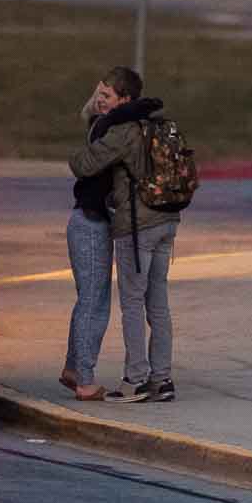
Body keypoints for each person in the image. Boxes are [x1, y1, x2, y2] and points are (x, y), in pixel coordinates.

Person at [67, 66, 178, 404]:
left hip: (137, 227)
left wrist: (96, 127)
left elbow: (83, 164)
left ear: (124, 99)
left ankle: (136, 379)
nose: (101, 101)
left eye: (107, 96)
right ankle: (163, 379)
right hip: (168, 221)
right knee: (158, 304)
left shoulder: (123, 129)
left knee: (131, 301)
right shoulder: (156, 124)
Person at [59, 81, 118, 400]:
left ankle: (73, 368)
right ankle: (84, 379)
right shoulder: (105, 131)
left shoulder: (101, 128)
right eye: (98, 95)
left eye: (105, 96)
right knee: (94, 304)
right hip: (90, 225)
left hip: (88, 225)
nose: (100, 101)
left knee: (90, 300)